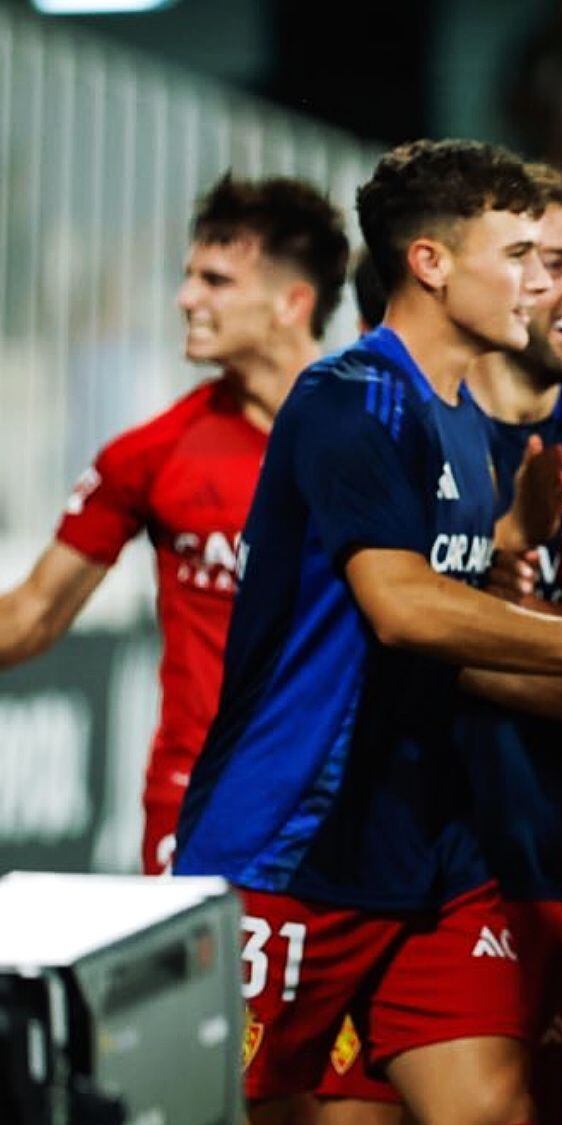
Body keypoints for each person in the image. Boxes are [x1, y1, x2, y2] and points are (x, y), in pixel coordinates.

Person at [144, 138, 562, 1125]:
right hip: (291, 839)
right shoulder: (352, 399)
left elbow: (449, 627)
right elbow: (398, 608)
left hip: (431, 848)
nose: (541, 280)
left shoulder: (455, 423)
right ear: (433, 263)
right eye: (518, 253)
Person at [0, 175, 348, 874]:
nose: (185, 298)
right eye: (190, 277)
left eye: (215, 281)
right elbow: (32, 614)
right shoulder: (151, 454)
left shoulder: (384, 437)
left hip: (353, 807)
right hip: (202, 805)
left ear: (292, 302)